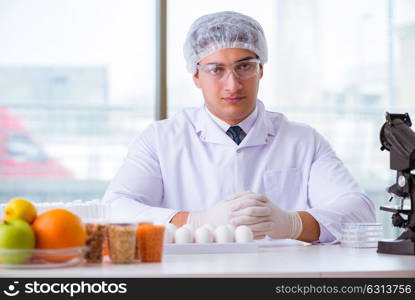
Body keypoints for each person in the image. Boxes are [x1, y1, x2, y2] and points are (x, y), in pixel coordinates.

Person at [103, 11, 375, 243]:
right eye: (216, 70)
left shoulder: (303, 140)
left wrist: (293, 224)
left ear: (261, 70)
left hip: (281, 278)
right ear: (196, 75)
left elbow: (359, 211)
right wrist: (195, 221)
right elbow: (115, 208)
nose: (232, 84)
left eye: (244, 66)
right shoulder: (160, 140)